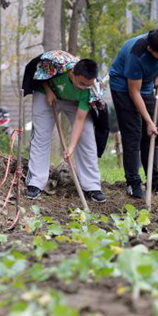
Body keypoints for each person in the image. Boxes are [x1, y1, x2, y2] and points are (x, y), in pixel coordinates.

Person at [108, 27, 158, 199]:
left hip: (147, 84)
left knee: (153, 134)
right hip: (124, 88)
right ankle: (133, 182)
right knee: (133, 133)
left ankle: (154, 179)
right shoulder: (136, 55)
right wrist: (148, 121)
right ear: (150, 49)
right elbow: (134, 92)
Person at [23, 51, 106, 203]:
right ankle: (35, 183)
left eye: (87, 85)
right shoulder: (56, 65)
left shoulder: (92, 89)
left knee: (87, 136)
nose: (83, 88)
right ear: (72, 73)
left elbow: (80, 120)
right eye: (81, 83)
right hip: (47, 93)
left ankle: (92, 185)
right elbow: (39, 72)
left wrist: (71, 147)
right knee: (41, 135)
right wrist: (48, 90)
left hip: (74, 102)